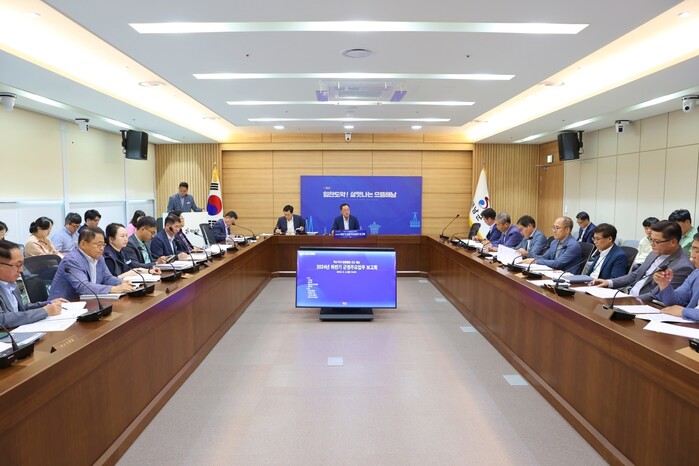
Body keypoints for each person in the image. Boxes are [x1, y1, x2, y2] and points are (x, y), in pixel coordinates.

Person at [591, 220, 693, 301]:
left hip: (645, 305)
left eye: (656, 241)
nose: (651, 244)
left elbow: (656, 295)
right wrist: (609, 282)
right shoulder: (654, 252)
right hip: (630, 297)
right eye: (650, 239)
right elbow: (635, 275)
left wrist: (627, 300)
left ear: (673, 242)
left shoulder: (682, 266)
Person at [48, 227, 135, 301]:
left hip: (89, 302)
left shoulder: (99, 258)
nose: (102, 248)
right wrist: (114, 289)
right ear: (83, 244)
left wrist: (122, 282)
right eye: (98, 245)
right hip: (64, 306)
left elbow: (107, 278)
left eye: (103, 245)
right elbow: (83, 286)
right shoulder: (72, 260)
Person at [652, 233, 699, 321]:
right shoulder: (696, 274)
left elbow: (681, 310)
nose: (692, 255)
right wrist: (664, 285)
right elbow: (675, 302)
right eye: (693, 249)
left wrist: (684, 312)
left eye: (697, 251)